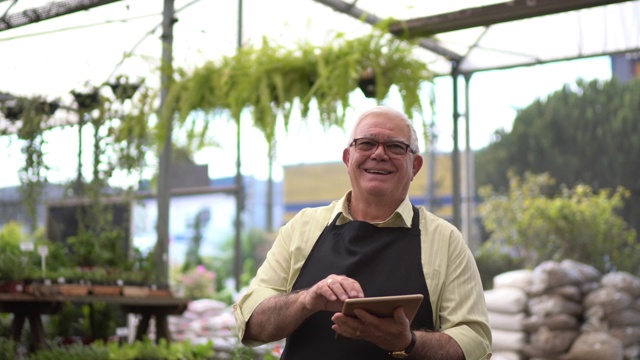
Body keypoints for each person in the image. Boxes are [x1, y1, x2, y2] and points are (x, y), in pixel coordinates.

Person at [233, 106, 492, 359]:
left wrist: (408, 342)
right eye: (366, 143)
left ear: (415, 166)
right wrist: (306, 300)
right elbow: (252, 322)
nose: (379, 154)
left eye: (395, 146)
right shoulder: (301, 227)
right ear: (347, 158)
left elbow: (476, 342)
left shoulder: (445, 240)